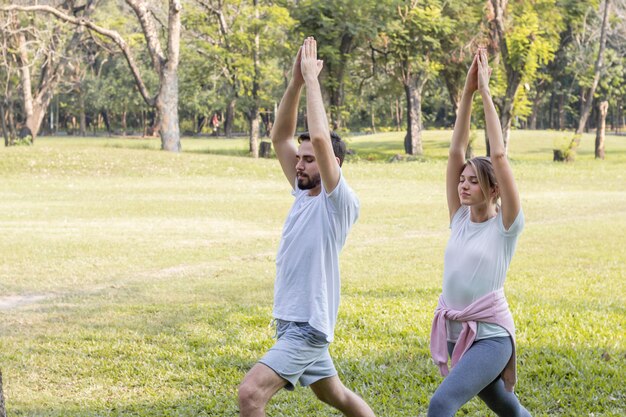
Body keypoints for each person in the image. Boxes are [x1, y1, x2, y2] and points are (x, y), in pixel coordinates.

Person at [238, 37, 376, 417]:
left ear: (333, 165)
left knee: (250, 395)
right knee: (336, 396)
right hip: (290, 320)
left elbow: (319, 136)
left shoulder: (338, 203)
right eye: (299, 159)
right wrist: (296, 82)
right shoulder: (303, 195)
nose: (299, 165)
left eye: (310, 160)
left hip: (307, 325)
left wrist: (313, 80)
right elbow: (280, 136)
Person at [427, 48, 532, 417]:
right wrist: (467, 94)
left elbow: (499, 156)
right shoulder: (459, 217)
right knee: (510, 410)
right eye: (462, 180)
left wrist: (486, 91)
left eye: (474, 181)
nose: (463, 185)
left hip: (490, 337)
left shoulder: (506, 227)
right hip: (459, 335)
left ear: (494, 189)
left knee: (440, 404)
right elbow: (456, 149)